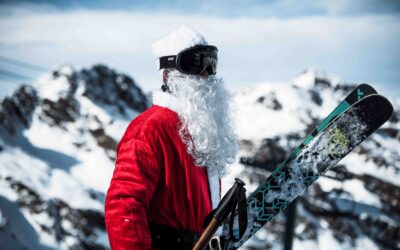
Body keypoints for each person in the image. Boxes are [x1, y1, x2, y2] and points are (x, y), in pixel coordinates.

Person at [105, 25, 238, 250]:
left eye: (210, 62)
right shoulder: (149, 130)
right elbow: (123, 207)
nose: (205, 72)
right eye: (194, 63)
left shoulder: (198, 129)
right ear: (167, 74)